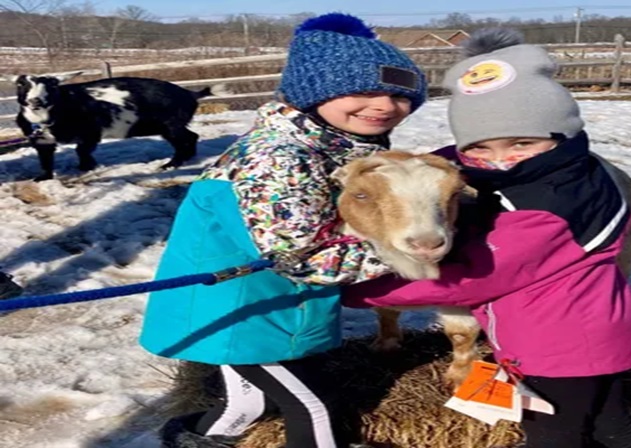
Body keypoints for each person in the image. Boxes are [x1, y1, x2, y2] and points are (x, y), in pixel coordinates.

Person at [342, 29, 631, 448]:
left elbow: (471, 279)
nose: (500, 159)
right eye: (481, 147)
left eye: (521, 142)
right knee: (614, 426)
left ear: (560, 134)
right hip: (598, 338)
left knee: (553, 436)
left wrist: (352, 292)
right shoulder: (560, 170)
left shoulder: (548, 210)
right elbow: (453, 161)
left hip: (558, 353)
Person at [139, 13, 427, 448]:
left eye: (401, 96)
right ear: (314, 92)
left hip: (264, 308)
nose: (385, 105)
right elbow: (302, 257)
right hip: (242, 313)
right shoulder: (279, 158)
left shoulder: (328, 145)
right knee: (315, 405)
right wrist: (410, 252)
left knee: (249, 405)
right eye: (364, 90)